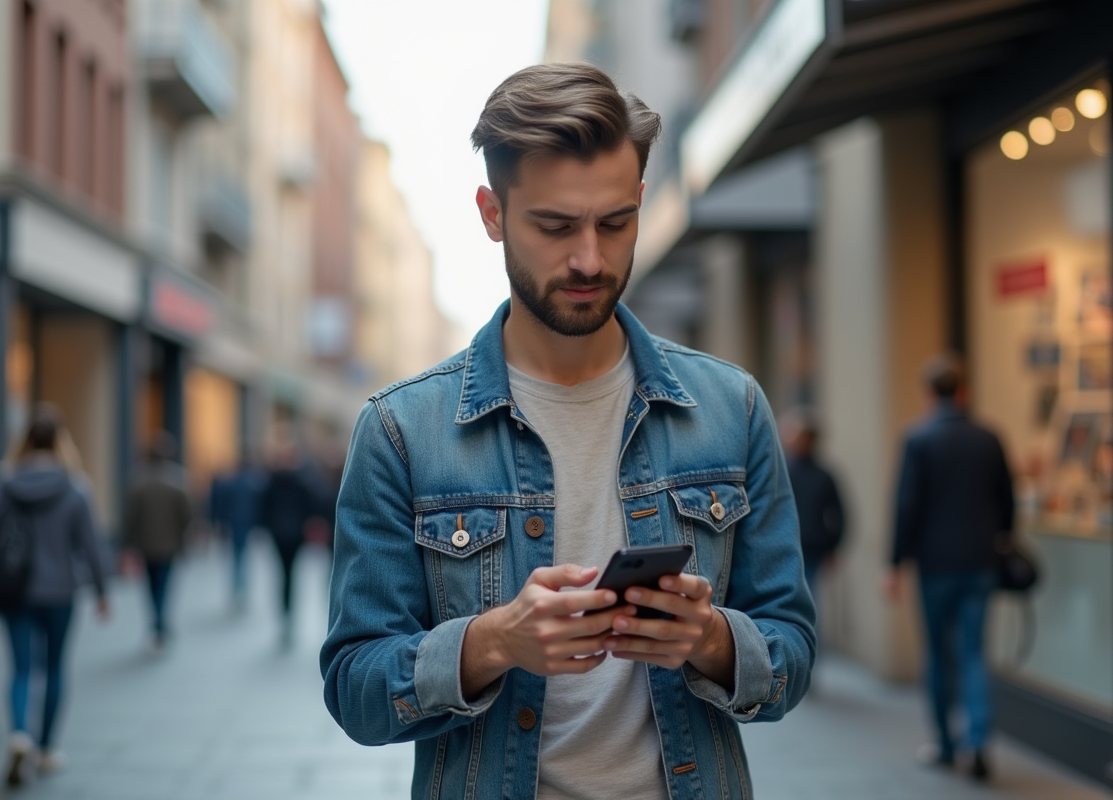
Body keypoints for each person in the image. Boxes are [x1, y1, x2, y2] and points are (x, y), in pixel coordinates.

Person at [320, 63, 816, 800]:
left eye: (615, 223)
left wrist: (710, 640)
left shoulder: (732, 406)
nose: (590, 258)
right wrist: (493, 642)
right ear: (492, 213)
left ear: (642, 203)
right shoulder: (400, 430)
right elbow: (356, 689)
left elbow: (794, 654)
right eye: (554, 226)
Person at [885, 354, 1015, 781]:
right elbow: (1007, 501)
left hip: (935, 564)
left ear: (928, 395)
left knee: (939, 654)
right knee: (974, 652)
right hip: (979, 561)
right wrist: (1004, 539)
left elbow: (906, 507)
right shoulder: (988, 438)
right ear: (964, 392)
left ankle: (944, 744)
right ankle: (977, 742)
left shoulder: (919, 440)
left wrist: (894, 563)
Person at [2, 405, 108, 786]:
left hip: (14, 591)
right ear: (62, 441)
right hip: (61, 591)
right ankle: (45, 749)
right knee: (55, 668)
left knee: (22, 669)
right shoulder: (76, 487)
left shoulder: (6, 485)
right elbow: (90, 546)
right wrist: (101, 590)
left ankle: (19, 735)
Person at [123, 431, 192, 654]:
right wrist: (184, 541)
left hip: (146, 545)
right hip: (169, 546)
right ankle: (160, 622)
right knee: (164, 585)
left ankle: (157, 622)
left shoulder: (139, 480)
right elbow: (186, 517)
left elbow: (130, 517)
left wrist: (126, 545)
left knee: (152, 586)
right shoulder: (178, 480)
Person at [780, 408, 846, 600]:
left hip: (812, 550)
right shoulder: (783, 472)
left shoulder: (823, 476)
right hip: (783, 547)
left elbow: (840, 515)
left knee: (807, 599)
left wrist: (832, 547)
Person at [260, 438, 316, 648]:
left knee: (284, 574)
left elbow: (264, 507)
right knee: (290, 575)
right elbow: (311, 506)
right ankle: (288, 615)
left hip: (280, 533)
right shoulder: (301, 480)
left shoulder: (272, 480)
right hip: (294, 534)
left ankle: (285, 615)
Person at [209, 455, 265, 612]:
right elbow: (258, 508)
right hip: (246, 524)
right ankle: (242, 590)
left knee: (236, 558)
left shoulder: (230, 483)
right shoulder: (253, 484)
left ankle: (237, 590)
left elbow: (221, 506)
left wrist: (218, 523)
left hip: (233, 524)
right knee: (244, 557)